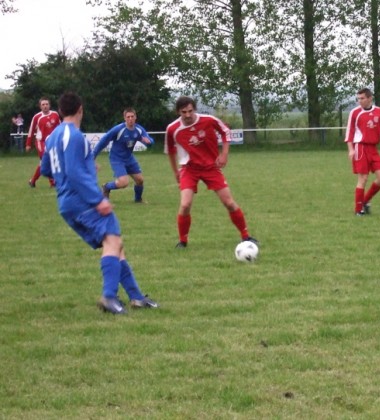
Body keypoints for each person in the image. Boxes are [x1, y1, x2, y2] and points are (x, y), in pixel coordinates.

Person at [40, 92, 158, 314]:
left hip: (66, 203)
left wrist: (85, 167)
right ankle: (109, 297)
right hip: (83, 201)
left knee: (114, 246)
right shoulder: (75, 136)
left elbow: (47, 169)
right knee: (113, 242)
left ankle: (136, 297)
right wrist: (98, 200)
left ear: (59, 111)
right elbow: (74, 172)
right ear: (80, 109)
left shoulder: (53, 136)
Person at [164, 96, 258, 249]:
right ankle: (182, 241)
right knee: (185, 204)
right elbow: (171, 151)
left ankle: (246, 236)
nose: (187, 115)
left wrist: (224, 154)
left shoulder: (208, 120)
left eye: (190, 111)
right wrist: (176, 172)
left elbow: (225, 132)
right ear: (178, 112)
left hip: (211, 167)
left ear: (194, 109)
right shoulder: (172, 129)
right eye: (183, 112)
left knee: (229, 202)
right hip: (189, 169)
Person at [344, 88, 380, 216]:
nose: (359, 101)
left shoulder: (378, 111)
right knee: (363, 178)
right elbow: (349, 132)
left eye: (362, 98)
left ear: (370, 98)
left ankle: (365, 201)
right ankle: (358, 209)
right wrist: (351, 149)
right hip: (360, 147)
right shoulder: (355, 113)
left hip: (373, 149)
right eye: (358, 98)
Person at [93, 108, 154, 203]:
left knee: (140, 180)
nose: (130, 119)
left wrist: (149, 142)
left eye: (132, 116)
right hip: (117, 159)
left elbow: (149, 141)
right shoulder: (118, 129)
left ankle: (138, 200)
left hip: (129, 158)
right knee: (124, 183)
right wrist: (93, 156)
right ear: (124, 118)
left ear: (135, 117)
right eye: (128, 117)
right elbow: (103, 141)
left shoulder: (139, 129)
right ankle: (106, 187)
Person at [26, 97, 61, 188]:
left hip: (52, 142)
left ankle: (33, 181)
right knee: (46, 159)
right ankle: (53, 182)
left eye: (46, 104)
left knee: (44, 162)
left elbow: (60, 127)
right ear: (40, 106)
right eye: (43, 105)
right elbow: (31, 130)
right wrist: (28, 144)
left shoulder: (55, 114)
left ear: (49, 105)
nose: (45, 106)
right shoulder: (37, 117)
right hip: (40, 141)